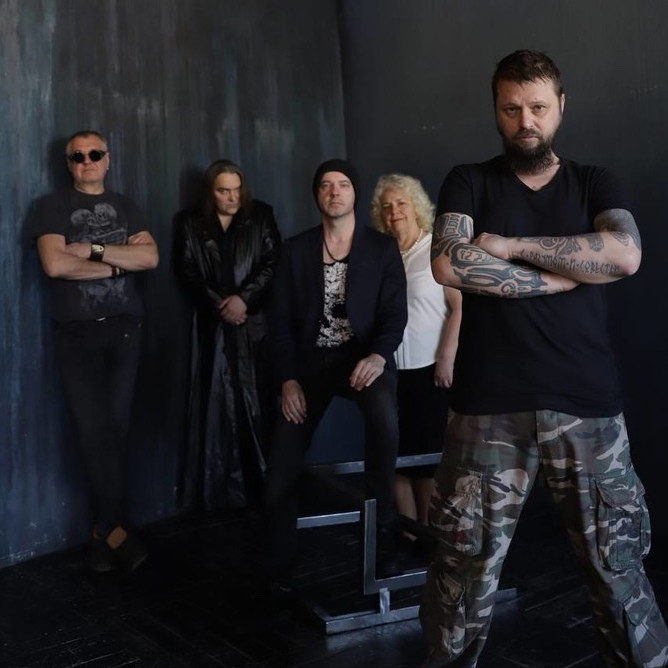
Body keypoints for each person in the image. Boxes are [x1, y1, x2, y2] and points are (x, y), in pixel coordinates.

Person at [420, 50, 668, 668]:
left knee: (617, 569)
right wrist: (560, 277)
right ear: (495, 111)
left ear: (560, 107)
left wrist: (510, 246)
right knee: (462, 576)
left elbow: (623, 254)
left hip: (585, 402)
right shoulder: (468, 180)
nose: (524, 121)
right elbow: (449, 261)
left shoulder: (594, 182)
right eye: (511, 109)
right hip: (486, 406)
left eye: (536, 107)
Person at [264, 158, 407, 587]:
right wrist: (288, 380)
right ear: (317, 195)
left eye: (343, 184)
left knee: (384, 422)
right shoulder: (295, 250)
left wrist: (378, 356)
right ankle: (278, 561)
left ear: (354, 192)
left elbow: (394, 315)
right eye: (326, 185)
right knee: (281, 461)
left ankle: (383, 545)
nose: (334, 192)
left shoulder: (381, 248)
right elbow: (280, 322)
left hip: (363, 360)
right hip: (309, 365)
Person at [32, 130, 159, 573]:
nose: (87, 160)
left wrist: (93, 250)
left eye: (94, 154)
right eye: (78, 156)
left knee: (117, 432)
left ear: (107, 160)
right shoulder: (51, 206)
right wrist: (118, 264)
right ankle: (116, 531)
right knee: (92, 433)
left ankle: (102, 535)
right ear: (69, 163)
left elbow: (150, 259)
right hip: (77, 333)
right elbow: (54, 264)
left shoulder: (126, 205)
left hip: (126, 329)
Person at [175, 159, 281, 512]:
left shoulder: (261, 215)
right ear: (211, 192)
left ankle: (263, 492)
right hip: (212, 326)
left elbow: (272, 262)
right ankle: (214, 498)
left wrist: (244, 299)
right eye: (224, 191)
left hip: (253, 326)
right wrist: (221, 304)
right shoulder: (189, 222)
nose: (233, 197)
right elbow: (186, 270)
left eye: (237, 190)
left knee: (256, 404)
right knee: (214, 405)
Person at [371, 174, 461, 547]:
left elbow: (460, 308)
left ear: (416, 207)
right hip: (390, 370)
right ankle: (407, 533)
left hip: (429, 370)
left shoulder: (435, 249)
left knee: (425, 461)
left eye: (401, 204)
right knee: (394, 456)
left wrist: (447, 357)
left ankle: (429, 536)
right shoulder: (382, 254)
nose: (394, 212)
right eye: (387, 206)